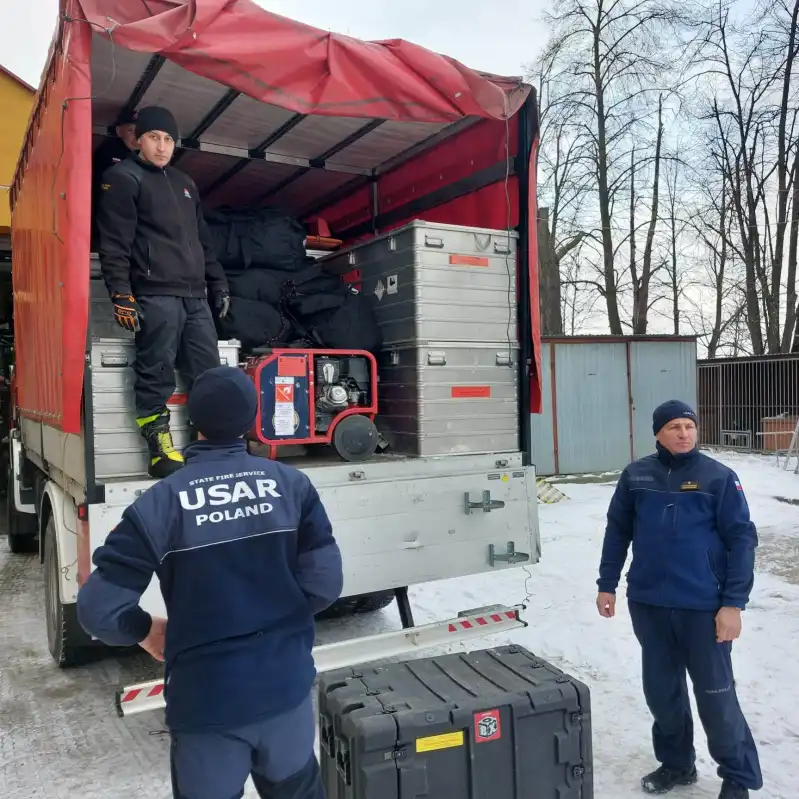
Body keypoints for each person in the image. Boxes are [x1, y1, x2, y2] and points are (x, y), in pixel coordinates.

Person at [76, 365, 342, 799]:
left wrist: (145, 630)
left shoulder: (158, 504)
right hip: (285, 692)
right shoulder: (293, 487)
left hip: (205, 706)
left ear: (193, 420)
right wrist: (274, 617)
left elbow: (98, 610)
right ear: (253, 419)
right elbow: (325, 585)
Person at [595, 400, 761, 799]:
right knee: (662, 692)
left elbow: (742, 540)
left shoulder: (719, 478)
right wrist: (607, 583)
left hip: (703, 607)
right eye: (674, 427)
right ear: (658, 433)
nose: (684, 433)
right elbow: (618, 531)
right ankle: (676, 764)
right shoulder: (636, 476)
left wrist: (733, 603)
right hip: (649, 603)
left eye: (689, 426)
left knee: (716, 696)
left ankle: (737, 778)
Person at [95, 106, 231, 478]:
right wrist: (121, 293)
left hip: (195, 296)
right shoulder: (122, 177)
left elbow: (203, 242)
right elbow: (114, 244)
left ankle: (211, 445)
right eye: (154, 137)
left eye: (169, 139)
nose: (162, 146)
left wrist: (218, 282)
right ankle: (160, 450)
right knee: (155, 371)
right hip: (155, 294)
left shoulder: (185, 183)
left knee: (208, 374)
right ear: (138, 139)